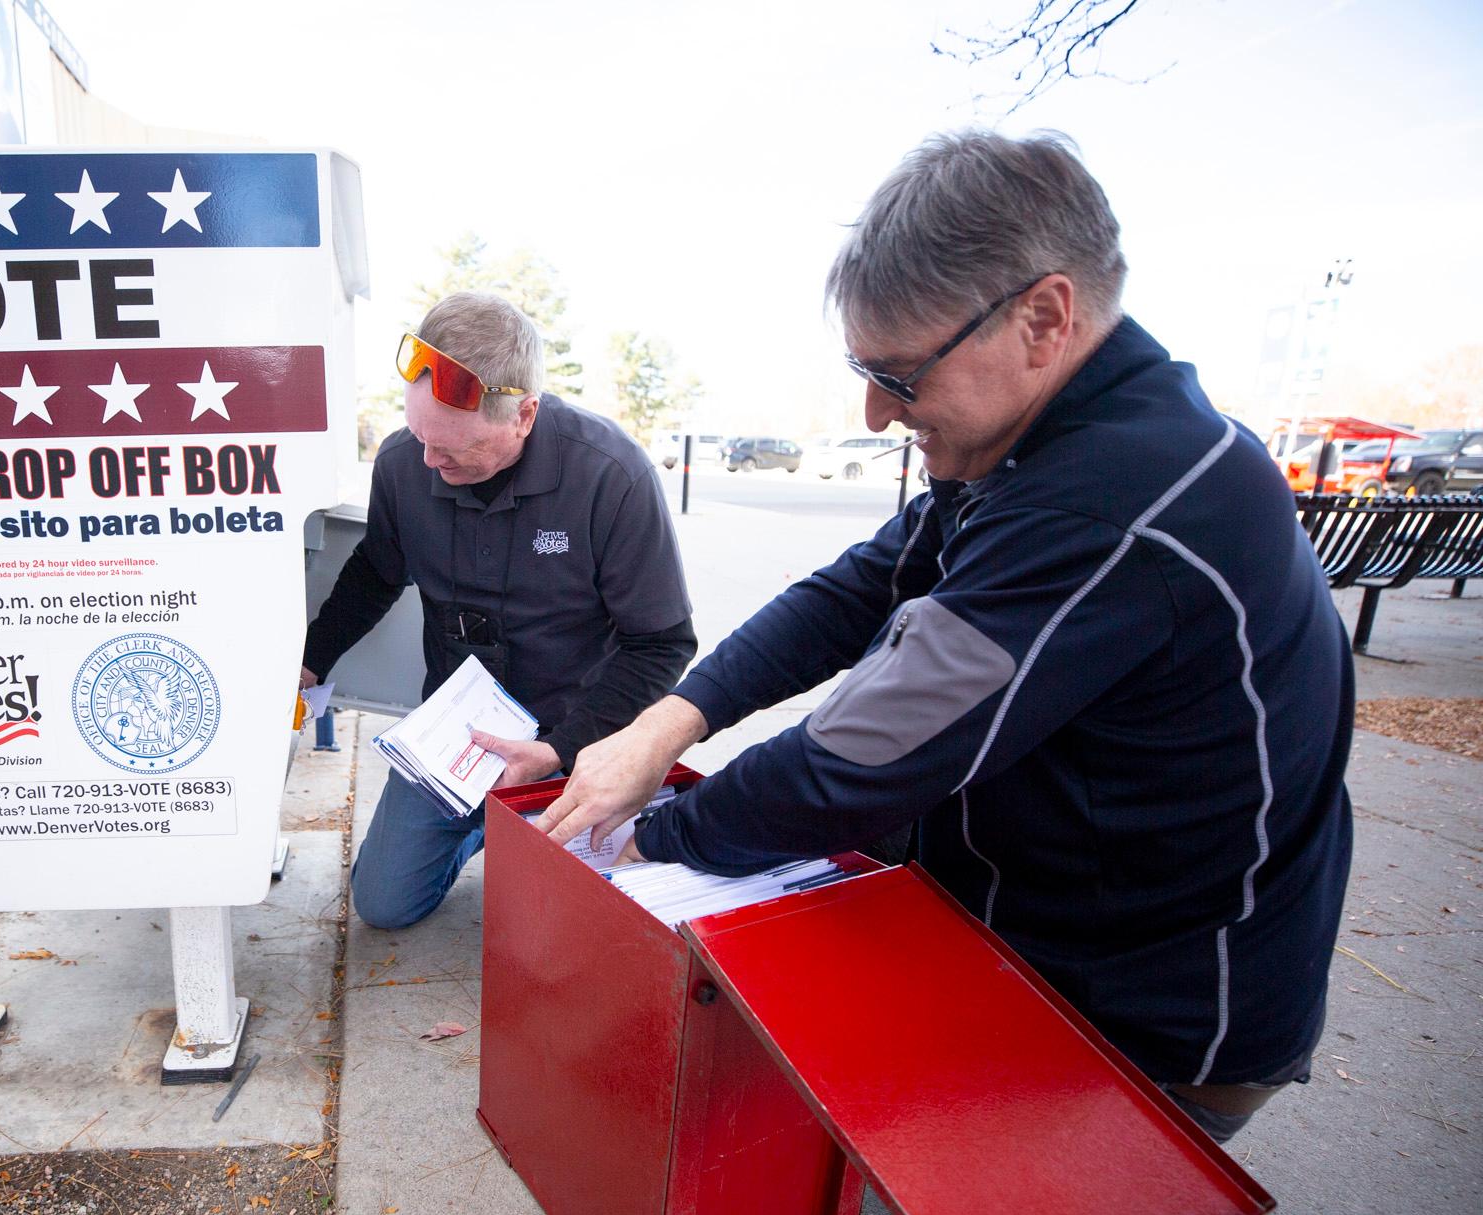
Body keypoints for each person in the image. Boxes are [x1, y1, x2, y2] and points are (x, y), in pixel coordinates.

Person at [538, 131, 1353, 1143]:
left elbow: (861, 759)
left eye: (899, 374)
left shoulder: (1107, 499)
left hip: (1142, 1015)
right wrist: (663, 727)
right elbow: (856, 590)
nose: (875, 413)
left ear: (1042, 320)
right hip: (1042, 906)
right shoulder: (1043, 442)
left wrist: (643, 843)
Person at [304, 291, 695, 930]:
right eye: (419, 435)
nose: (429, 461)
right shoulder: (407, 462)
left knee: (576, 929)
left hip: (577, 731)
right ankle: (480, 827)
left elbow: (662, 644)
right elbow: (376, 571)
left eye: (453, 450)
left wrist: (558, 748)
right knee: (383, 905)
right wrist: (314, 659)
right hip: (456, 735)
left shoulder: (610, 475)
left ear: (525, 416)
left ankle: (543, 820)